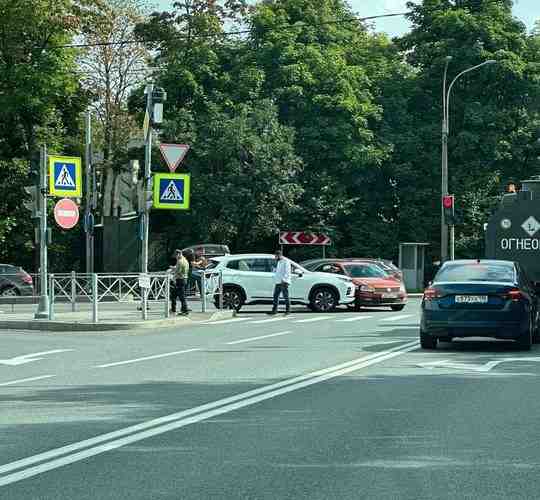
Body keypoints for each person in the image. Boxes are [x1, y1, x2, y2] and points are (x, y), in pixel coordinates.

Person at [269, 250, 291, 315]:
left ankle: (288, 310)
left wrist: (284, 280)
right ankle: (274, 310)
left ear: (279, 255)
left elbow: (287, 272)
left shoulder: (286, 261)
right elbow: (279, 271)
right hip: (278, 281)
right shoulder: (279, 262)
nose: (275, 258)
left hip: (284, 281)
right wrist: (274, 271)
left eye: (276, 256)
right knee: (275, 295)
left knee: (285, 296)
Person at [171, 249, 190, 315]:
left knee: (181, 296)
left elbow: (178, 271)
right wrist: (175, 268)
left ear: (178, 254)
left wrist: (174, 278)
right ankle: (174, 309)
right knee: (174, 295)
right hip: (185, 279)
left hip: (180, 280)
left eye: (176, 256)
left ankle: (185, 310)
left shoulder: (180, 261)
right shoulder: (185, 260)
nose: (175, 257)